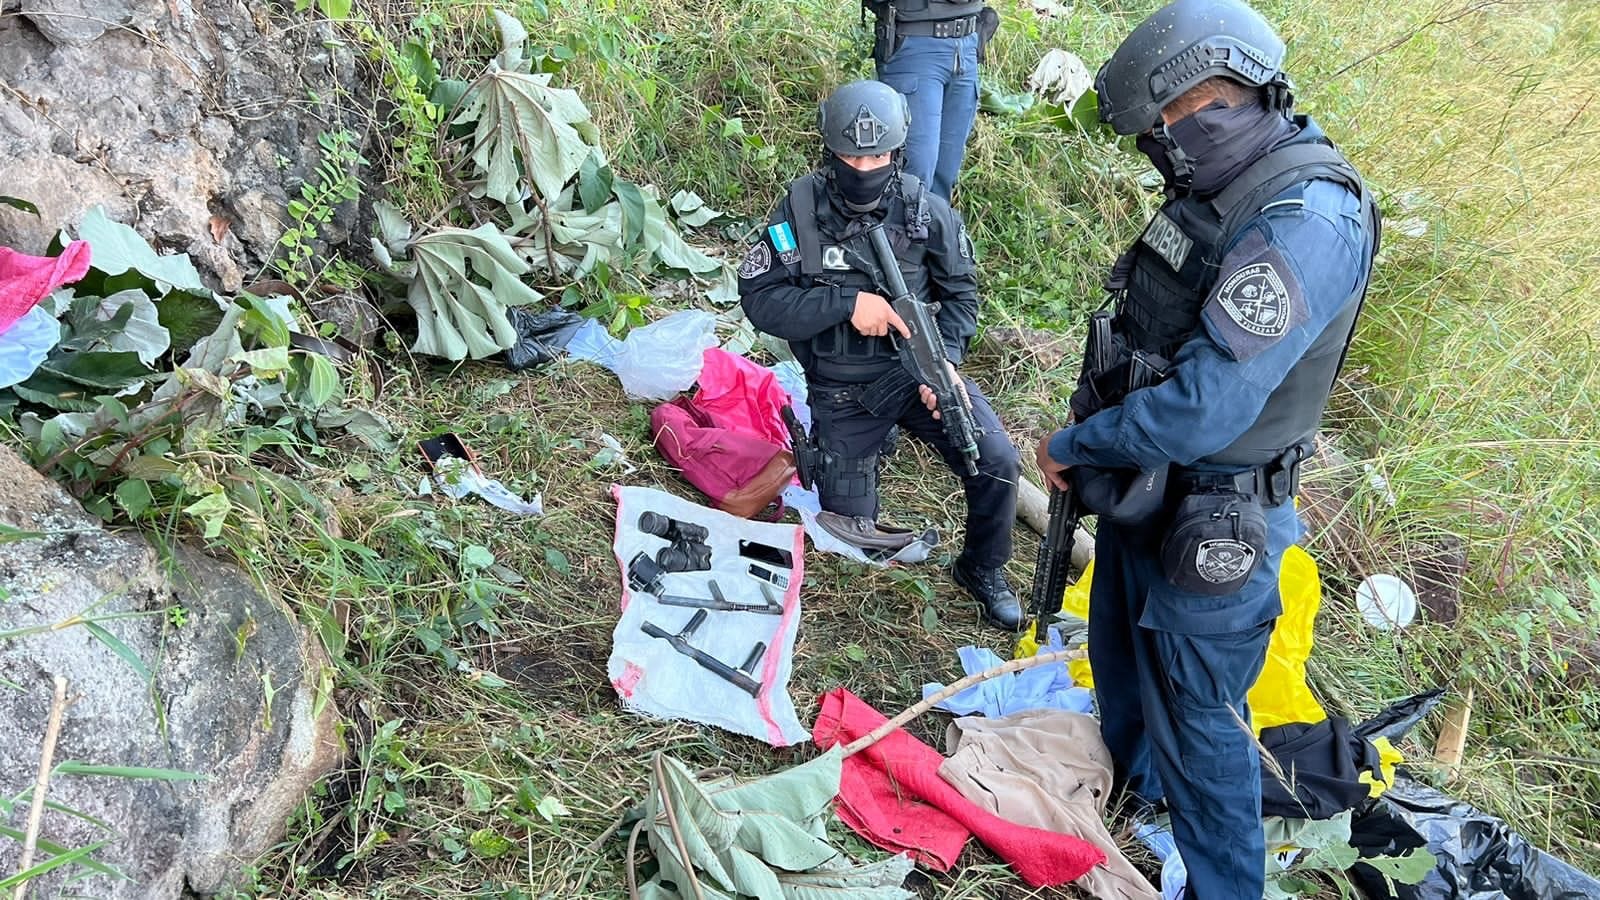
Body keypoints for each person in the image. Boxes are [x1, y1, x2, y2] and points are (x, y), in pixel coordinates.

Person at [1033, 1, 1381, 897]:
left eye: (1161, 127)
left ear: (1210, 99)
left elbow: (1201, 407)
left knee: (1200, 724)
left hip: (1217, 517)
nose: (1156, 148)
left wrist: (1077, 442)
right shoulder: (1219, 187)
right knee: (1120, 658)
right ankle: (1130, 798)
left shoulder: (1306, 218)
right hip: (1142, 490)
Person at [740, 79, 1023, 630]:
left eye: (877, 156)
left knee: (997, 461)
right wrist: (846, 304)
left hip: (912, 373)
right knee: (852, 532)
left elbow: (961, 296)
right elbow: (761, 299)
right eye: (851, 156)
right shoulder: (799, 211)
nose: (864, 168)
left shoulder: (926, 212)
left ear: (897, 151)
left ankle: (984, 567)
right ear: (829, 151)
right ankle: (866, 445)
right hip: (841, 387)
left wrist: (944, 365)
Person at [862, 1, 999, 200]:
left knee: (946, 172)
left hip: (968, 42)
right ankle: (903, 220)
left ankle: (934, 220)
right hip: (915, 43)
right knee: (915, 170)